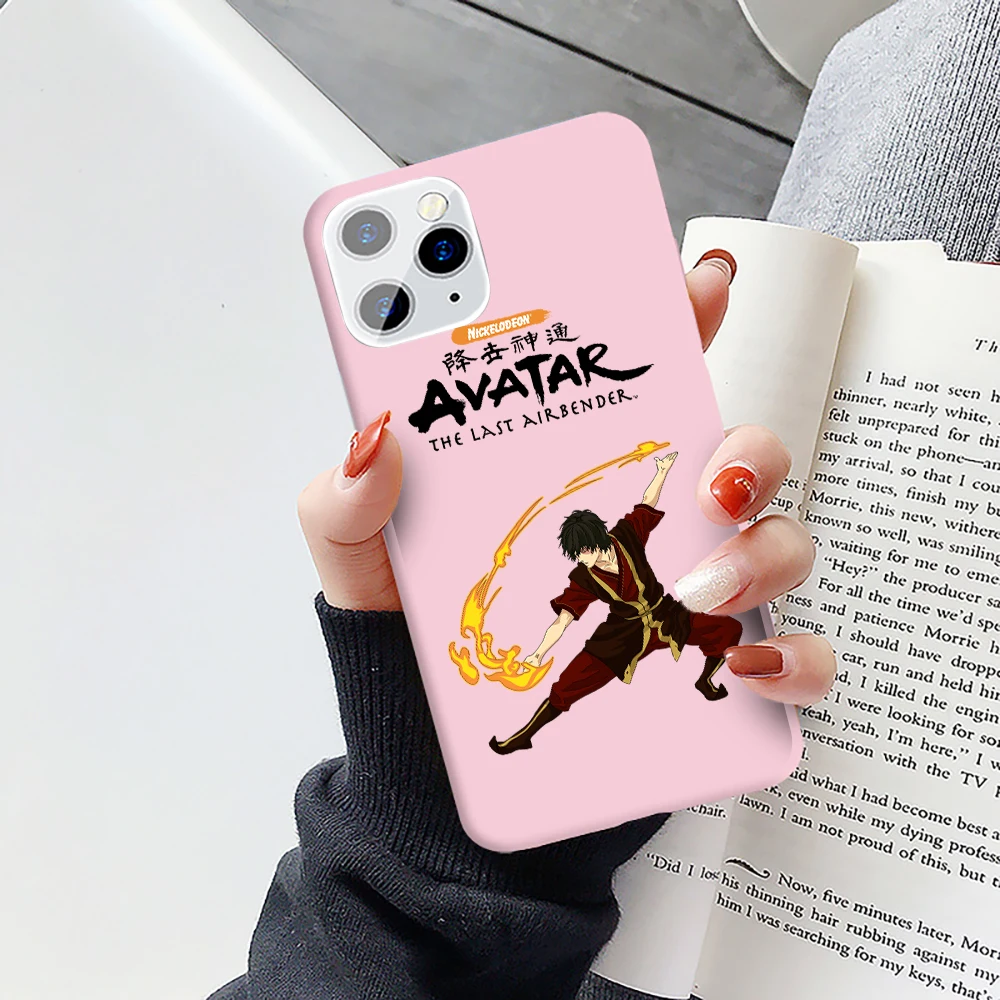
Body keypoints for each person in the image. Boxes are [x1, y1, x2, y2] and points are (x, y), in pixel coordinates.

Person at [212, 0, 997, 994]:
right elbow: (568, 611)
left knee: (950, 53)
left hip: (529, 912)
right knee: (957, 50)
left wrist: (433, 846)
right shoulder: (594, 568)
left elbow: (637, 508)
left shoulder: (614, 544)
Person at [490, 454, 743, 756]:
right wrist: (538, 653)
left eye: (583, 551)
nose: (582, 559)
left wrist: (661, 471)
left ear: (596, 540)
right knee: (569, 684)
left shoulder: (626, 535)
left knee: (726, 629)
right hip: (622, 634)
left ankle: (705, 681)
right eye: (576, 555)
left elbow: (646, 503)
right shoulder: (584, 577)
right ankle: (525, 736)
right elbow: (563, 620)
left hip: (666, 614)